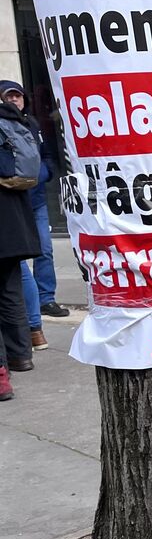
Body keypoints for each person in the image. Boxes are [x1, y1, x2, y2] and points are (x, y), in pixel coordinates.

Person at [5, 81, 68, 352]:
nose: (14, 100)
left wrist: (43, 176)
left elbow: (46, 155)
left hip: (34, 201)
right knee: (20, 264)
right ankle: (34, 328)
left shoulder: (32, 123)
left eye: (17, 96)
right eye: (9, 96)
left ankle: (44, 303)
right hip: (17, 203)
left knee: (43, 252)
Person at [0, 88, 41, 399]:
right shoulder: (14, 119)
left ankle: (2, 374)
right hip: (14, 223)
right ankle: (21, 355)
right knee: (10, 291)